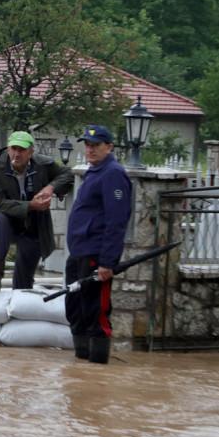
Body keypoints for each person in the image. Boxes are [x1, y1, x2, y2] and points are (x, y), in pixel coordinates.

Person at [65, 124, 132, 364]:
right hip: (79, 252)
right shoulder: (94, 171)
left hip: (95, 253)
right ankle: (81, 366)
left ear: (109, 147)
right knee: (75, 306)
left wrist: (107, 261)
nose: (90, 150)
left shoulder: (113, 173)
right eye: (88, 145)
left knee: (96, 311)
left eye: (96, 145)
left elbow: (116, 220)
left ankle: (97, 364)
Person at [0, 130, 74, 294]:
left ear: (31, 152)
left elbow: (68, 174)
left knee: (23, 284)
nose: (17, 154)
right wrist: (30, 205)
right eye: (13, 149)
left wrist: (51, 187)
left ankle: (22, 295)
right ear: (8, 149)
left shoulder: (43, 165)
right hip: (10, 221)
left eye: (21, 150)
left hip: (35, 224)